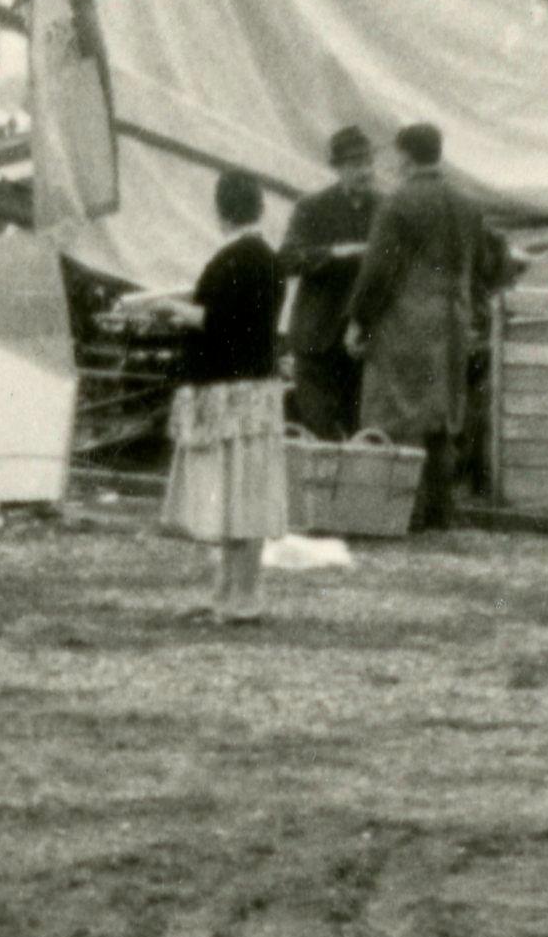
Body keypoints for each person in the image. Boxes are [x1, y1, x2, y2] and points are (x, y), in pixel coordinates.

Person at [158, 168, 292, 624]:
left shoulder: (232, 259)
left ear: (222, 210)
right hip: (257, 390)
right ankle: (230, 593)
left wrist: (172, 309)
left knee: (234, 497)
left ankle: (241, 597)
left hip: (228, 392)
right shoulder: (269, 259)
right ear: (259, 208)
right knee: (245, 494)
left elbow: (217, 321)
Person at [348, 121, 481, 534]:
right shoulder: (467, 205)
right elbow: (486, 265)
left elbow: (377, 272)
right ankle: (440, 513)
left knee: (396, 414)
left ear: (405, 155)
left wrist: (359, 319)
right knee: (440, 418)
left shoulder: (398, 203)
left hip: (405, 322)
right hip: (453, 323)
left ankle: (403, 514)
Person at [277, 119, 378, 441]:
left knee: (361, 436)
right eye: (355, 164)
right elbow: (287, 259)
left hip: (362, 344)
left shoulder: (385, 209)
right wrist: (334, 254)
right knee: (320, 434)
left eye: (367, 162)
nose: (364, 171)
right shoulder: (313, 207)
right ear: (338, 168)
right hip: (316, 342)